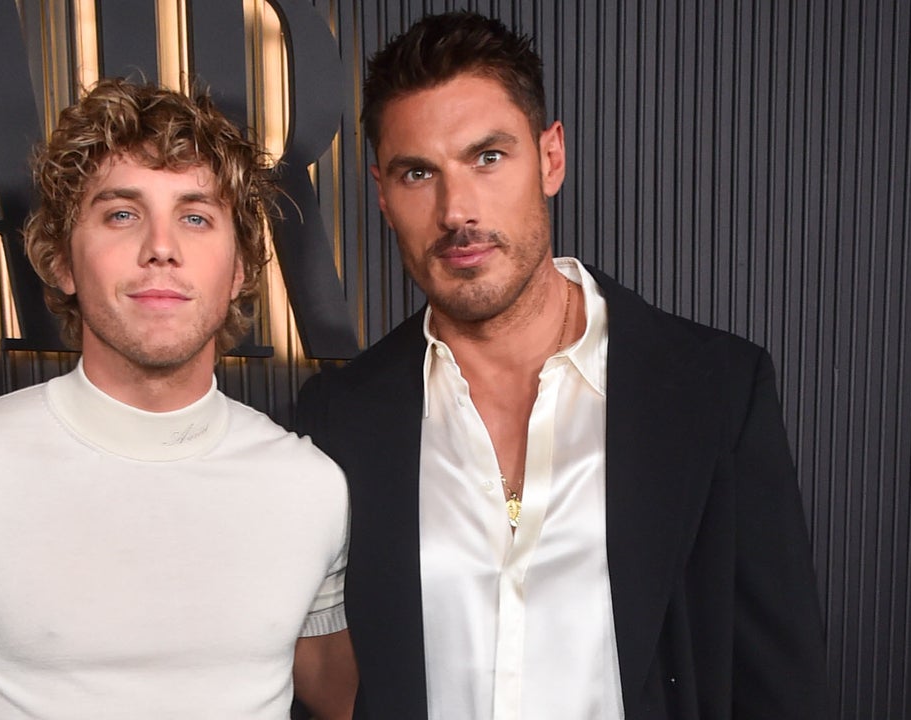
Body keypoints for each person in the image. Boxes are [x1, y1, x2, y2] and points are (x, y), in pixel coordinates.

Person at [295, 11, 827, 719]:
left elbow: (780, 682)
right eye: (418, 173)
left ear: (551, 158)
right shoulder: (339, 418)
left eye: (488, 157)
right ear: (384, 196)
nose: (456, 211)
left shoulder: (717, 389)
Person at [0, 78, 355, 719]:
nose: (161, 248)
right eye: (122, 214)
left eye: (196, 217)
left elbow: (354, 699)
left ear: (239, 268)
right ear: (62, 261)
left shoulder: (311, 487)